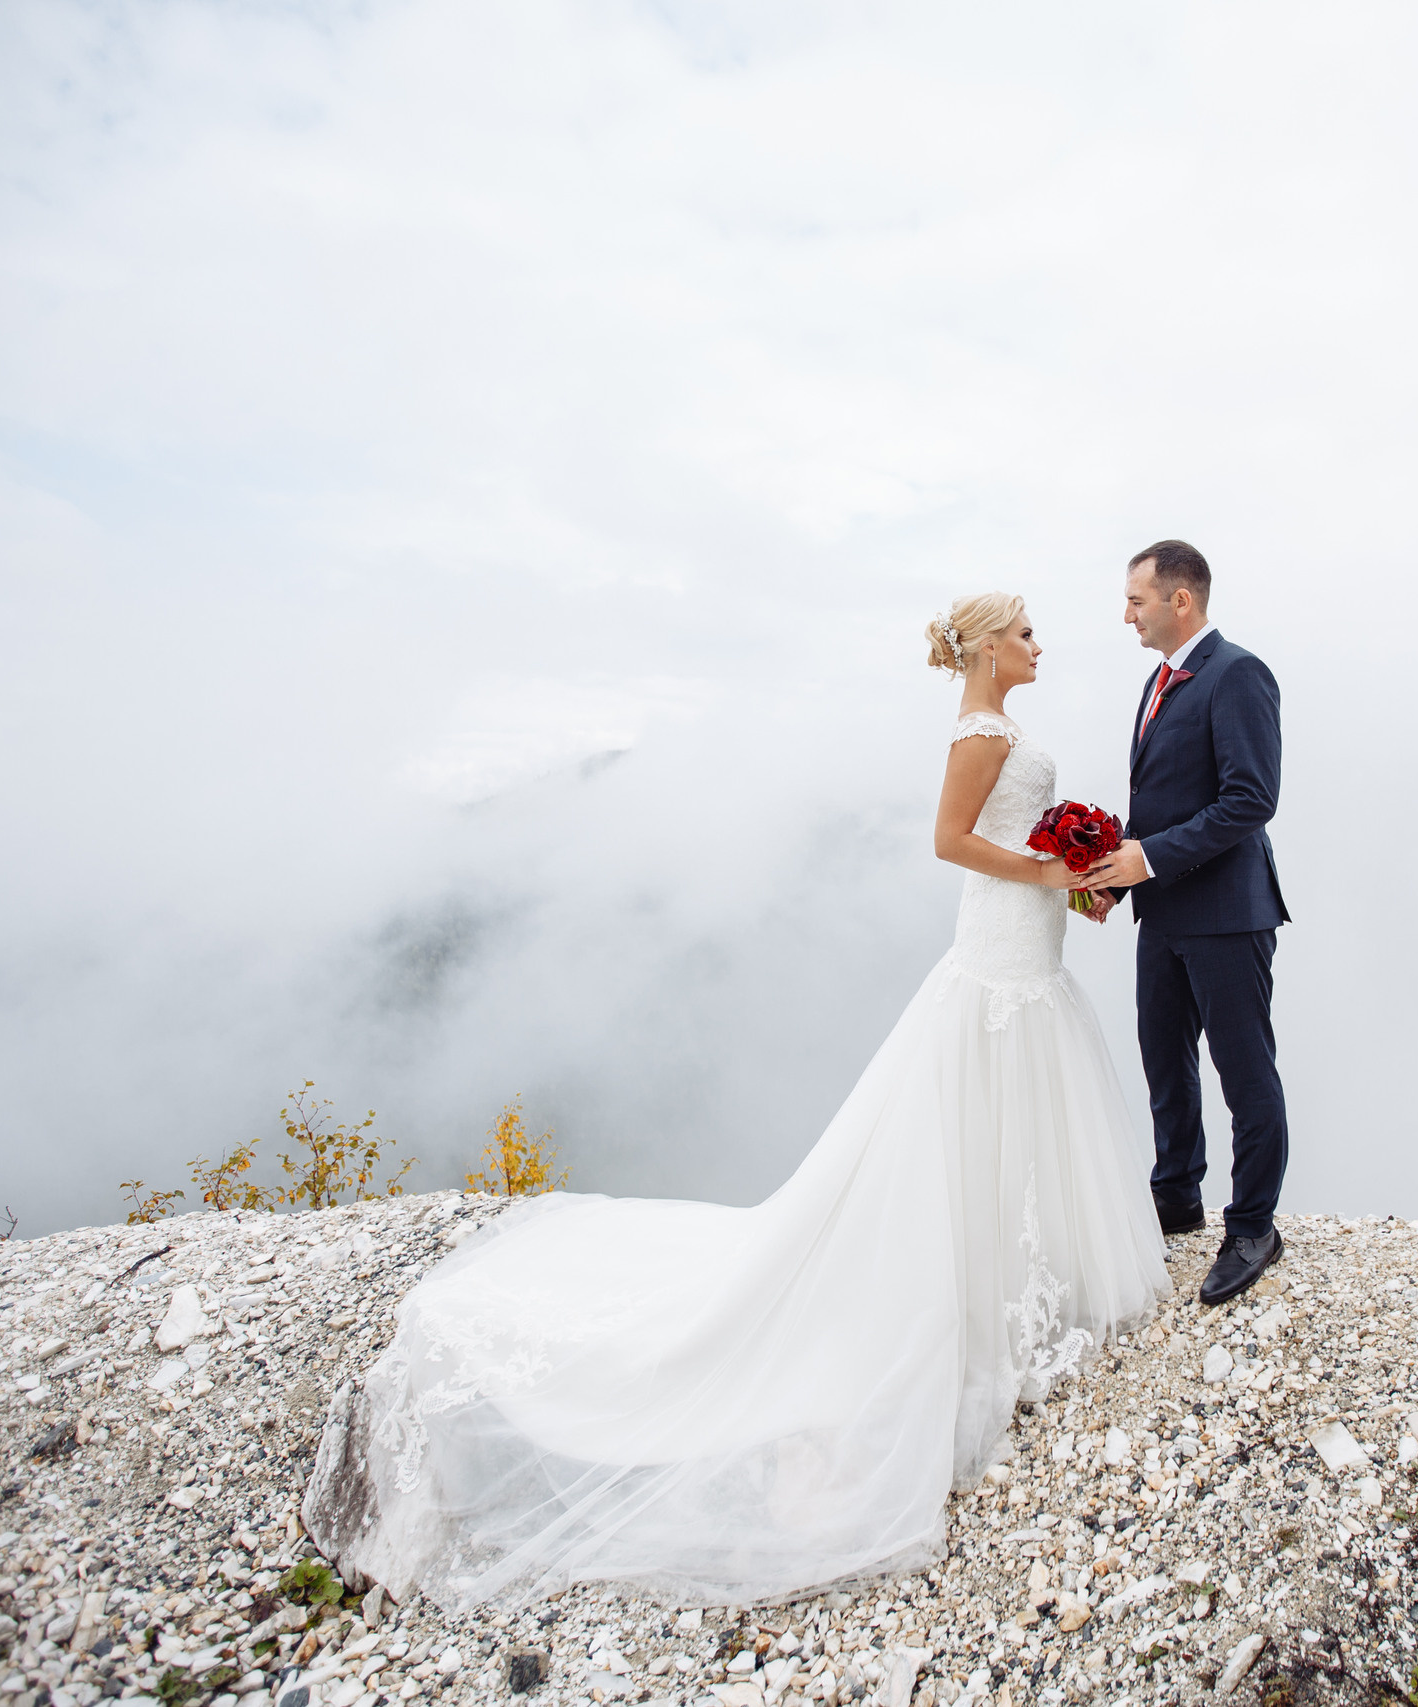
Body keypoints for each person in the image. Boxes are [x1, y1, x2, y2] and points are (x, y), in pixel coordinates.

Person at [303, 593, 1167, 1612]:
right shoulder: (979, 730)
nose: (1037, 644)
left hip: (1029, 934)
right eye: (1022, 632)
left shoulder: (1006, 729)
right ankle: (970, 1289)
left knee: (1027, 1085)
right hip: (994, 941)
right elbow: (947, 840)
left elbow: (1002, 835)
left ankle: (1017, 1271)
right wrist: (1046, 862)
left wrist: (1074, 873)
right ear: (983, 648)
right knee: (981, 1086)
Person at [1081, 541, 1291, 1307]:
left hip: (1229, 913)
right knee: (1164, 1061)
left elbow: (1251, 798)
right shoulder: (1158, 680)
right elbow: (1162, 801)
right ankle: (1177, 1193)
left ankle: (1254, 1225)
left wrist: (1152, 859)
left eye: (1137, 599)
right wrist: (1117, 877)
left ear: (1181, 600)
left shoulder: (1238, 673)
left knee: (1244, 1071)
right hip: (1163, 910)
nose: (1126, 613)